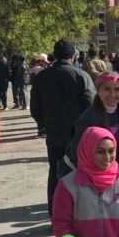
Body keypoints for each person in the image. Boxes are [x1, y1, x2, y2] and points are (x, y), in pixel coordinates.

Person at [30, 39, 95, 216]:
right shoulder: (81, 76)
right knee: (80, 173)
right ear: (74, 56)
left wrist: (45, 124)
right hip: (78, 135)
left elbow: (35, 108)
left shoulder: (42, 77)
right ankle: (79, 212)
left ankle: (55, 212)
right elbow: (91, 105)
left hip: (54, 134)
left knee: (56, 174)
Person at [63, 72, 119, 172]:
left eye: (117, 89)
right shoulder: (90, 118)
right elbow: (78, 151)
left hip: (102, 164)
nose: (112, 94)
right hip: (78, 169)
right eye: (107, 89)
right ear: (97, 90)